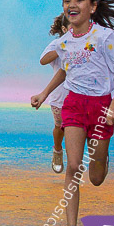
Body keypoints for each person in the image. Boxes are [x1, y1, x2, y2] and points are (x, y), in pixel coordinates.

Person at [31, 0, 114, 226]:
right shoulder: (63, 41)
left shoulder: (105, 37)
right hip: (74, 105)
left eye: (79, 0)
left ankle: (101, 157)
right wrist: (43, 93)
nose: (72, 5)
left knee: (96, 177)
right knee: (73, 166)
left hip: (101, 107)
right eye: (67, 0)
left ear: (93, 6)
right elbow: (64, 71)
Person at [36, 14, 70, 174]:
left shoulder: (87, 43)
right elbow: (43, 60)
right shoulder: (57, 44)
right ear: (64, 29)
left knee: (76, 129)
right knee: (60, 127)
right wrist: (62, 46)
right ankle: (57, 150)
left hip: (81, 96)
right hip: (60, 96)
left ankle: (74, 161)